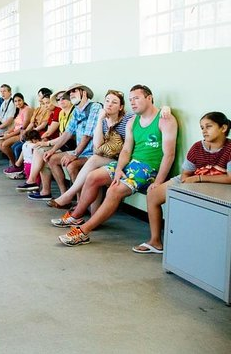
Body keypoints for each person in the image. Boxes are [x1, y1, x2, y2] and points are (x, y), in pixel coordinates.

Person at [57, 85, 178, 246]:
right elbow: (126, 150)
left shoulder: (165, 119)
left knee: (114, 190)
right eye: (130, 100)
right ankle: (77, 215)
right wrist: (120, 168)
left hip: (148, 168)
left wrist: (158, 182)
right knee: (93, 176)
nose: (133, 103)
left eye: (137, 98)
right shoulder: (133, 121)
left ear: (149, 98)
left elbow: (169, 154)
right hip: (130, 164)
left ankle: (84, 231)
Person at [133, 112, 231, 254]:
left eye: (208, 127)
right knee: (153, 196)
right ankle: (155, 241)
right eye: (202, 127)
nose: (204, 131)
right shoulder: (197, 147)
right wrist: (193, 181)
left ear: (223, 128)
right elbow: (185, 175)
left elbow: (229, 178)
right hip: (191, 181)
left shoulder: (229, 149)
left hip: (214, 185)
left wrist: (200, 179)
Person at [45, 89, 132, 207]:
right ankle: (67, 197)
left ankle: (77, 202)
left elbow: (88, 137)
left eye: (114, 102)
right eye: (107, 101)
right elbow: (69, 133)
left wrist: (164, 109)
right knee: (51, 158)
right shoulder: (98, 117)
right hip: (101, 155)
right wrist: (52, 149)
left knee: (80, 165)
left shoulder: (99, 109)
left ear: (84, 93)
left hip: (108, 157)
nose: (109, 104)